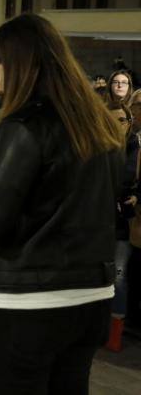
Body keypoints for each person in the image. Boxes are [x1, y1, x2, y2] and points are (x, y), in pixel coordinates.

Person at [0, 14, 124, 394]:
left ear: (19, 68)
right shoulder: (97, 123)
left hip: (24, 305)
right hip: (90, 297)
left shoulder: (23, 126)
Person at [105, 102, 139, 352]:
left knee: (119, 276)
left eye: (122, 120)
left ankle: (114, 335)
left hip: (123, 223)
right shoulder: (99, 147)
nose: (118, 125)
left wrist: (137, 195)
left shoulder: (135, 149)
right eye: (112, 120)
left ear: (130, 122)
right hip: (98, 222)